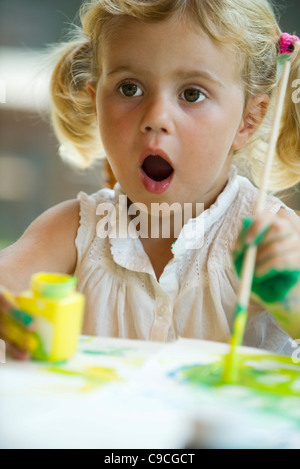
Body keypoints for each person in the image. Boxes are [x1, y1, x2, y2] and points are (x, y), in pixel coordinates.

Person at [1, 0, 300, 360]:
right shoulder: (74, 232)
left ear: (247, 121)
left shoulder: (274, 238)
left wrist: (291, 300)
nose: (155, 117)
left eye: (192, 94)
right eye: (130, 89)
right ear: (96, 102)